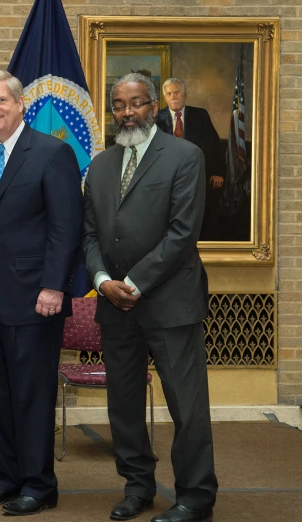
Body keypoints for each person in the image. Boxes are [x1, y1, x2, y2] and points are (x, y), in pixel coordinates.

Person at [83, 73, 217, 522]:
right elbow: (89, 234)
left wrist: (134, 283)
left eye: (136, 103)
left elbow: (182, 233)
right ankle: (137, 485)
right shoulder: (101, 165)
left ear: (154, 105)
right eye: (119, 105)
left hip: (170, 303)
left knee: (187, 405)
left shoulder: (184, 156)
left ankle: (195, 496)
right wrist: (103, 279)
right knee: (123, 404)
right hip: (114, 305)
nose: (127, 112)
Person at [0, 70, 83, 516]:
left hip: (34, 298)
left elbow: (66, 229)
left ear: (20, 105)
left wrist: (54, 286)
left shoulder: (52, 153)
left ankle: (39, 484)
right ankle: (7, 477)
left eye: (1, 101)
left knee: (31, 393)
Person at [156, 78, 225, 241]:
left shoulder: (200, 115)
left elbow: (214, 146)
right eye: (169, 93)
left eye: (177, 92)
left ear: (184, 94)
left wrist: (217, 172)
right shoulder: (157, 118)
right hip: (168, 178)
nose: (173, 97)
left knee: (203, 219)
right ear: (165, 97)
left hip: (196, 176)